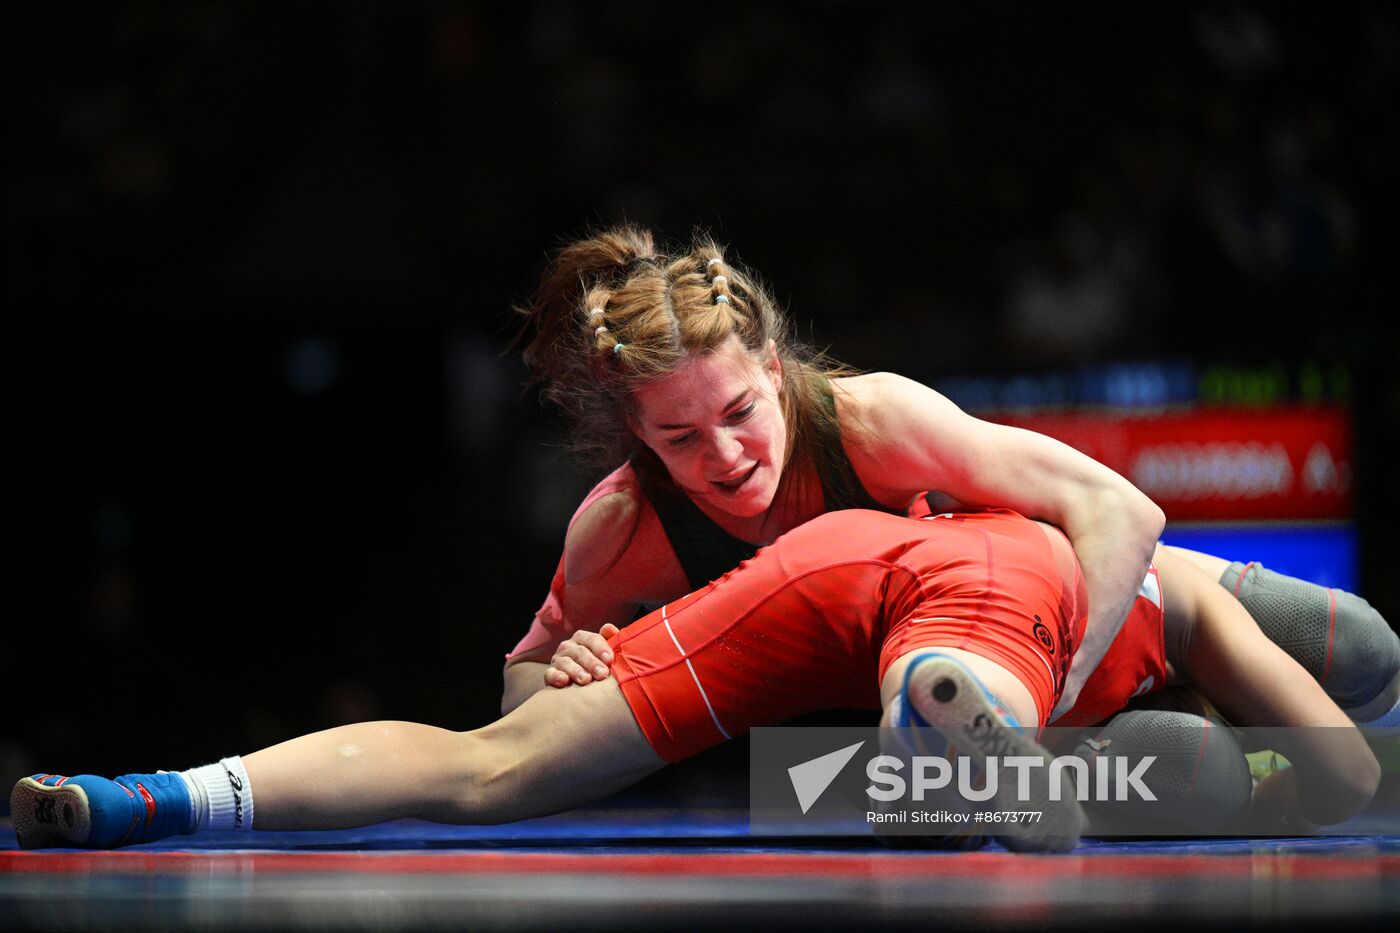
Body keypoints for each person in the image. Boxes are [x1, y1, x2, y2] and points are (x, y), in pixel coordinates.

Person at [12, 507, 1382, 855]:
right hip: (975, 611)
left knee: (487, 771)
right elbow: (1342, 773)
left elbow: (510, 697)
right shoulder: (1189, 586)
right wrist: (1290, 766)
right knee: (963, 703)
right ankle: (952, 754)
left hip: (821, 582)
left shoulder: (963, 481)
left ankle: (159, 795)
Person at [505, 226, 1399, 732]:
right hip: (948, 702)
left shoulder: (874, 423)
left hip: (1084, 610)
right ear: (637, 434)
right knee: (1192, 764)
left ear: (774, 370)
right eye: (682, 436)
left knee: (1363, 649)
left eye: (740, 413)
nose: (727, 456)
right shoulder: (624, 526)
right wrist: (561, 670)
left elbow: (1121, 508)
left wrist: (1053, 686)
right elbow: (520, 693)